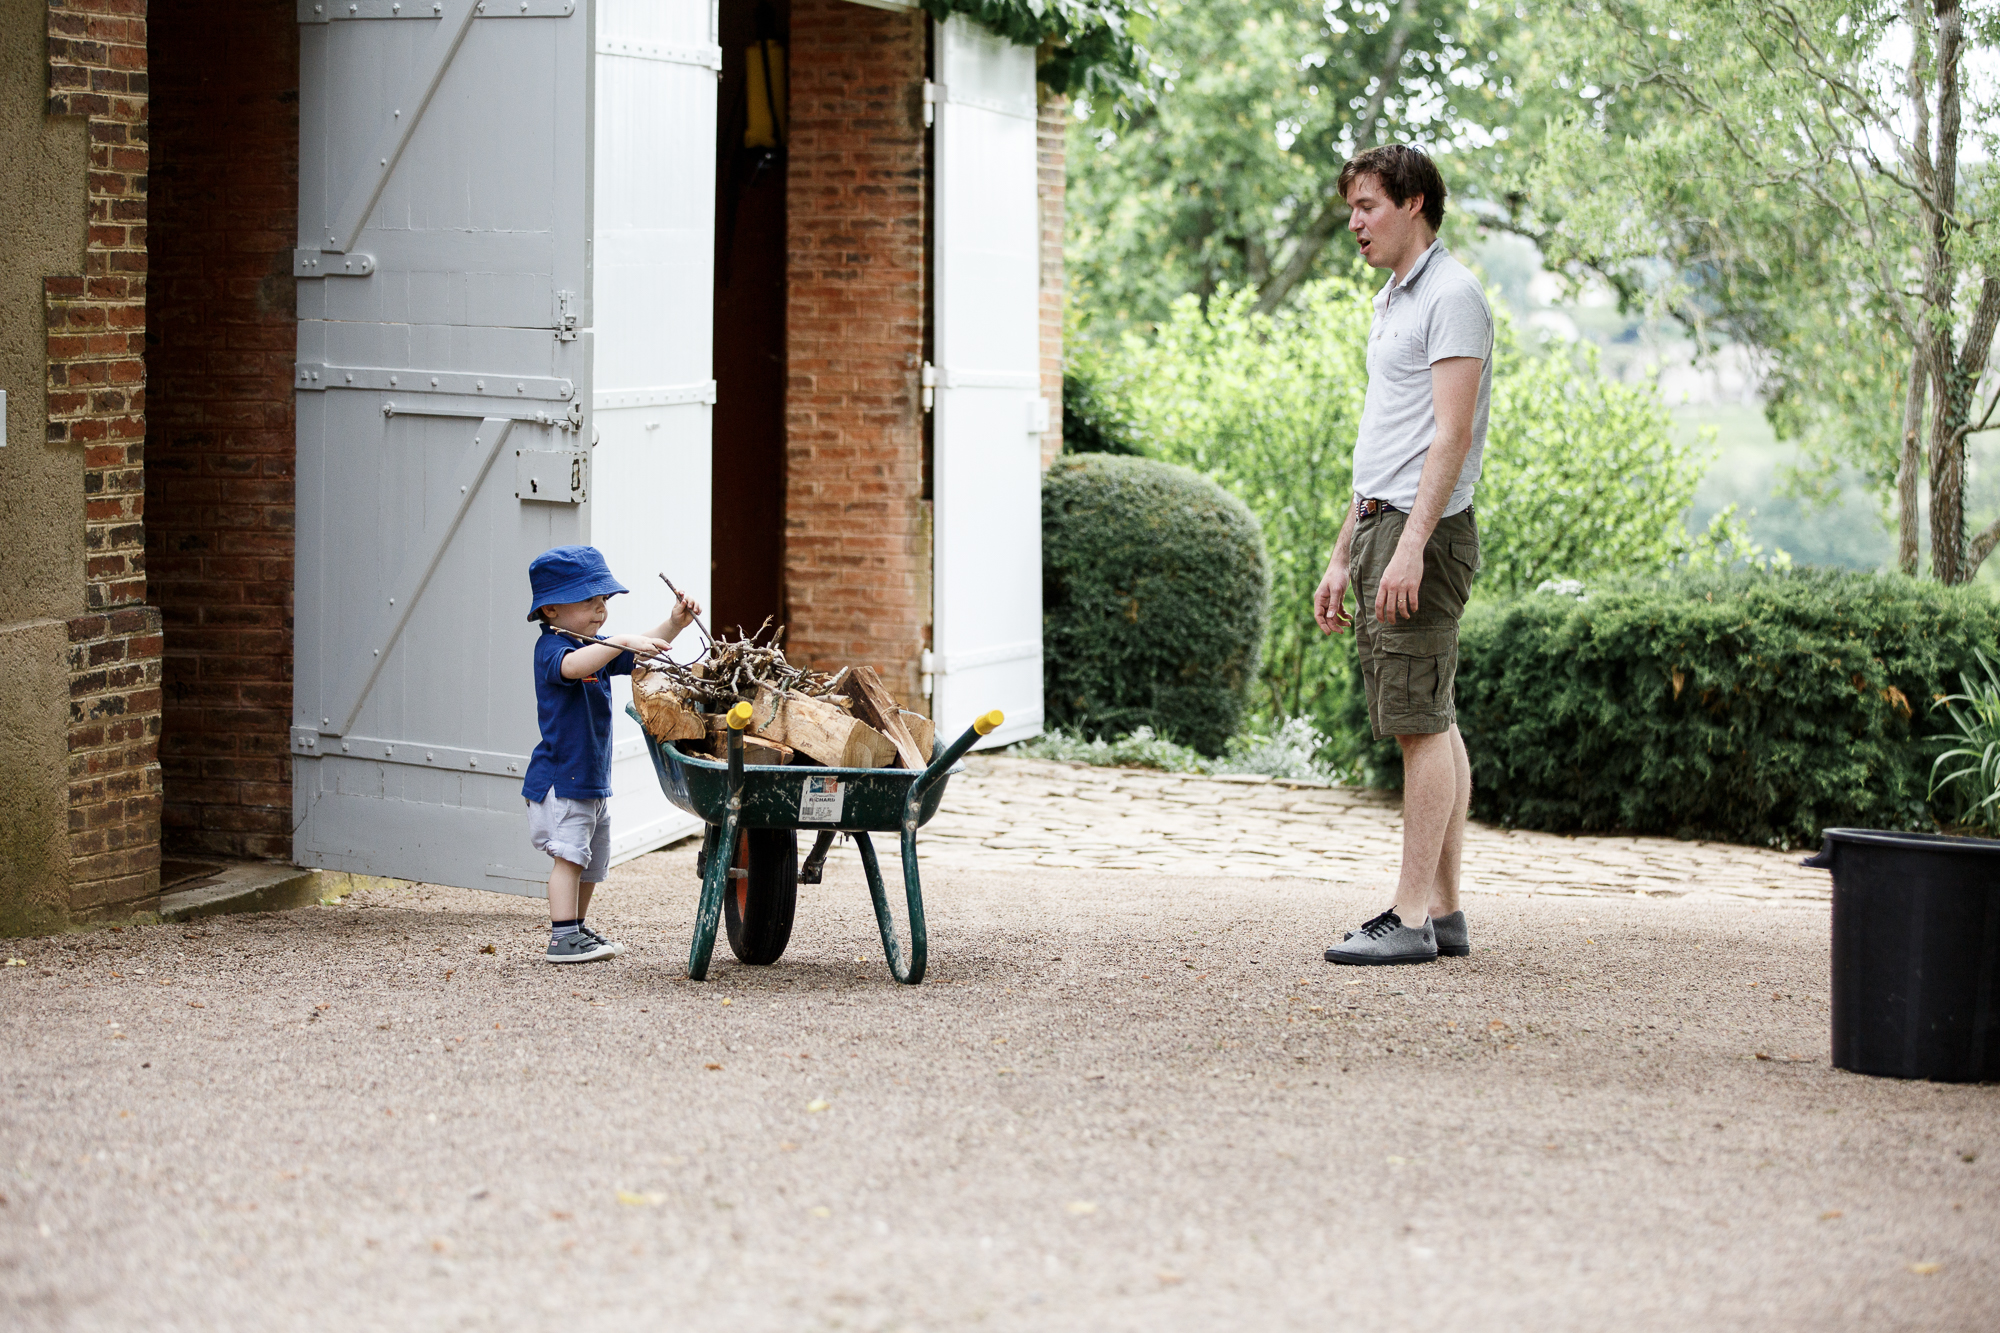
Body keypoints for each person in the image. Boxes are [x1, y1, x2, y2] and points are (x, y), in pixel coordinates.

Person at [1313, 144, 1491, 967]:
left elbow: (1449, 437)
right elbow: (1385, 439)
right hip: (1382, 521)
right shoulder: (1393, 300)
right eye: (1351, 207)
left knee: (1420, 725)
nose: (1354, 222)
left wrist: (1412, 545)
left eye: (1368, 206)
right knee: (1434, 718)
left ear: (1415, 202)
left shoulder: (1452, 297)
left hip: (1425, 530)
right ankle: (1445, 913)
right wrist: (1345, 552)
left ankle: (1411, 916)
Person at [523, 545, 701, 963]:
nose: (600, 609)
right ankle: (561, 936)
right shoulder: (553, 649)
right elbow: (572, 667)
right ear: (550, 609)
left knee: (590, 860)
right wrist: (617, 641)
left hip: (590, 780)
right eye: (588, 600)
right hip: (561, 779)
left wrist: (673, 624)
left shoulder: (596, 646)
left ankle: (577, 929)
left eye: (603, 600)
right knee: (568, 857)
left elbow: (640, 652)